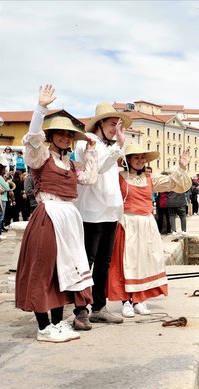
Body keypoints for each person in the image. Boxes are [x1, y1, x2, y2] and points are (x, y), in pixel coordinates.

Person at [16, 84, 98, 342]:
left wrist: (95, 152)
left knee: (64, 271)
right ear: (51, 136)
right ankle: (43, 328)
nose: (65, 137)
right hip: (49, 215)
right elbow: (32, 140)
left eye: (69, 135)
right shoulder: (41, 156)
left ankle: (56, 323)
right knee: (43, 268)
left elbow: (91, 177)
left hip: (69, 218)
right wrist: (40, 109)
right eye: (60, 134)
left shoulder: (71, 164)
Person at [107, 144, 191, 318]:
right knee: (126, 262)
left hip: (146, 223)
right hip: (127, 222)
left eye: (142, 157)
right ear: (128, 160)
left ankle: (139, 300)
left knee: (145, 262)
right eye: (136, 157)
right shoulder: (119, 177)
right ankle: (126, 302)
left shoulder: (150, 178)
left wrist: (181, 166)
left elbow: (175, 184)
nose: (140, 160)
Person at [74, 101, 132, 326]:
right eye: (111, 124)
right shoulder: (87, 144)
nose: (114, 128)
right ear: (99, 123)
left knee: (103, 264)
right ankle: (81, 309)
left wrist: (116, 146)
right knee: (86, 262)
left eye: (118, 125)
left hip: (110, 213)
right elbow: (99, 168)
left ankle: (99, 306)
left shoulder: (108, 147)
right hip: (91, 213)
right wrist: (118, 146)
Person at [0, 157, 10, 241]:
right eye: (3, 169)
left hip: (2, 198)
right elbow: (7, 187)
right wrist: (5, 181)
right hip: (2, 199)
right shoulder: (0, 177)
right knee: (1, 217)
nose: (4, 171)